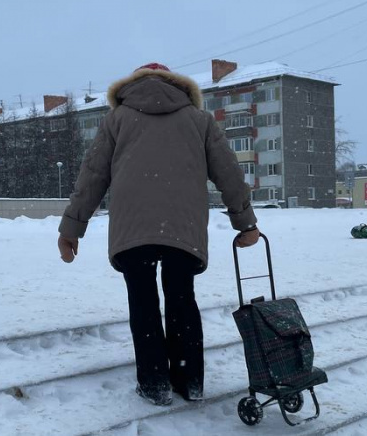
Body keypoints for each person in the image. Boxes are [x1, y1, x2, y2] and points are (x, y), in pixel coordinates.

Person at [57, 63, 259, 406]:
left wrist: (72, 228)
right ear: (179, 87)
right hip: (183, 225)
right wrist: (246, 223)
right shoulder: (199, 120)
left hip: (133, 225)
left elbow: (92, 175)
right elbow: (228, 172)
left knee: (143, 303)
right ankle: (189, 380)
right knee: (182, 298)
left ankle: (154, 384)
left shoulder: (116, 119)